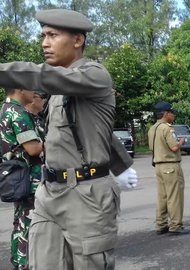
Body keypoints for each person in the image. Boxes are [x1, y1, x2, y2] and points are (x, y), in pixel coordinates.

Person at [0, 9, 138, 269]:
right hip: (49, 193)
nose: (44, 43)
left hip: (86, 196)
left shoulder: (94, 75)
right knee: (41, 263)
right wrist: (123, 165)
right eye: (43, 36)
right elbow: (93, 130)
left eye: (52, 35)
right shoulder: (59, 90)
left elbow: (40, 75)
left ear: (78, 41)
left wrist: (119, 168)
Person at [1, 88, 43, 270]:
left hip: (14, 176)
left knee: (20, 222)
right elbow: (33, 149)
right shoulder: (18, 113)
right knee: (30, 223)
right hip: (29, 177)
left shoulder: (4, 109)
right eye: (30, 89)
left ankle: (19, 261)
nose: (33, 93)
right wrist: (55, 143)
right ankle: (26, 264)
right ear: (19, 89)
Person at [148, 101, 190, 235]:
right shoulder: (167, 128)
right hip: (170, 165)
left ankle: (161, 224)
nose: (173, 116)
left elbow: (151, 148)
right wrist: (181, 142)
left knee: (162, 197)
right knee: (174, 196)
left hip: (159, 165)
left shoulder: (152, 128)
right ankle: (175, 225)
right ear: (166, 114)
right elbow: (173, 147)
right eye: (171, 113)